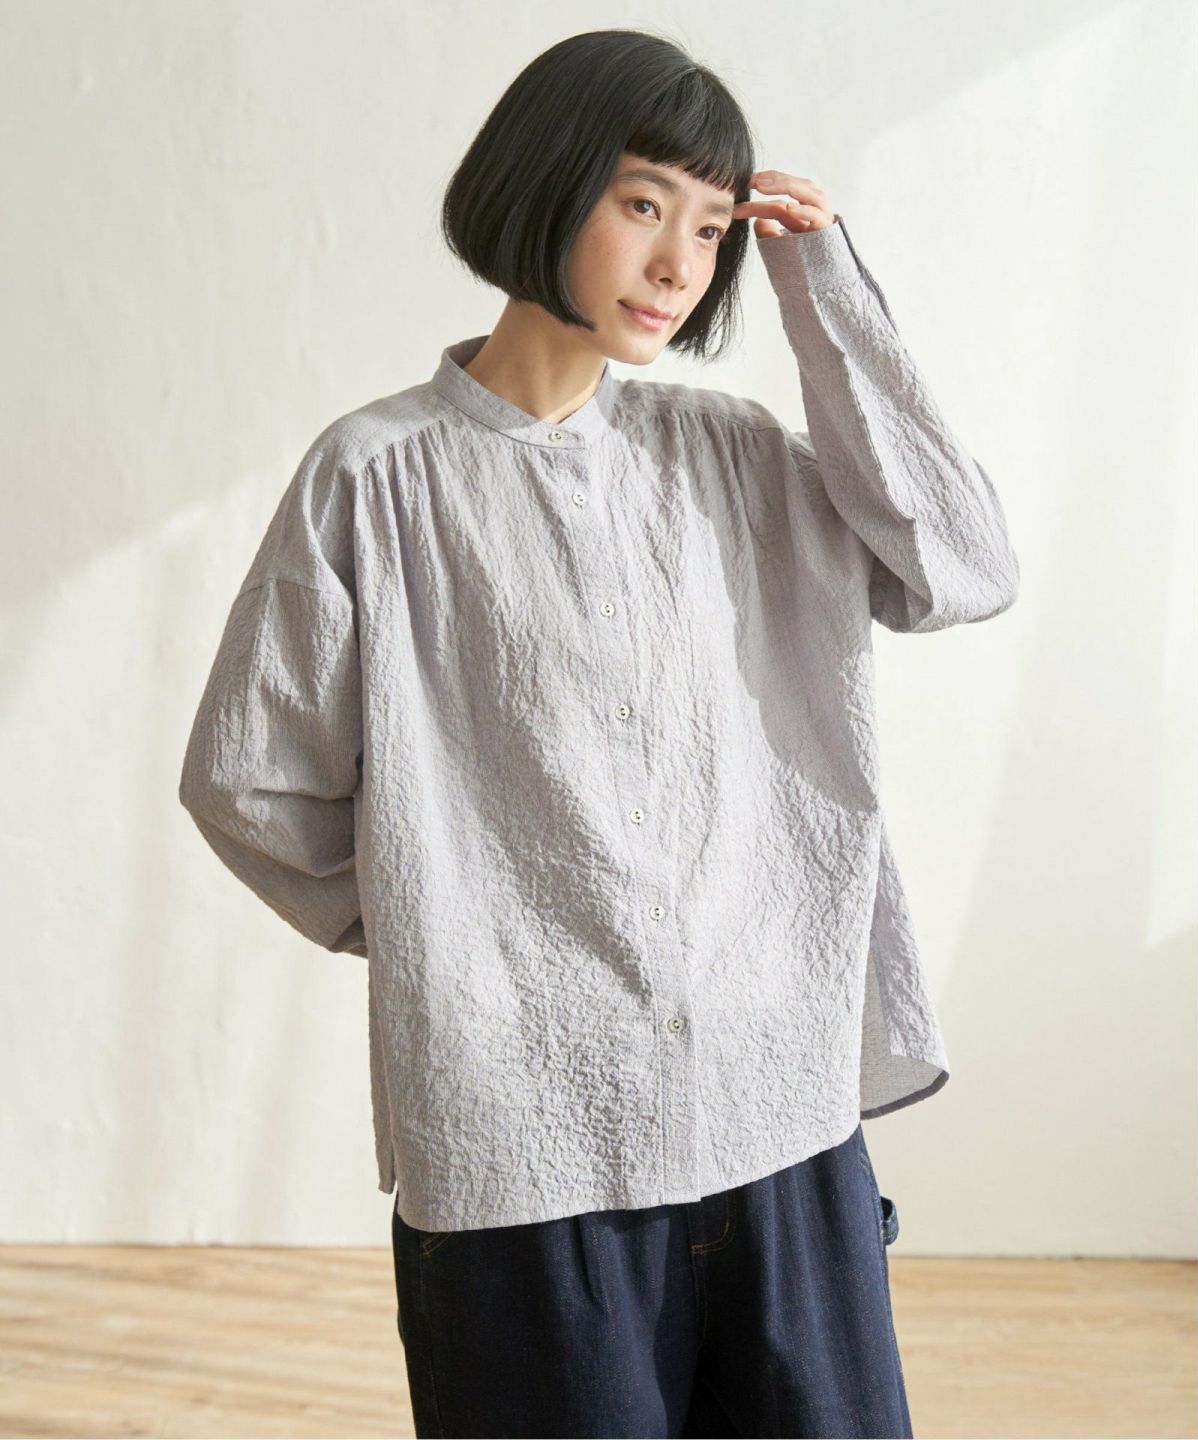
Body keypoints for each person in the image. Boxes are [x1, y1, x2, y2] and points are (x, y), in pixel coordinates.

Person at [179, 26, 1019, 1440]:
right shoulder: (377, 479)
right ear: (548, 180)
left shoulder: (737, 458)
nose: (681, 264)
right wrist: (448, 929)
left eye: (714, 228)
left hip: (778, 1123)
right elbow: (249, 781)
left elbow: (965, 566)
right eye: (644, 204)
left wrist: (826, 293)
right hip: (526, 1163)